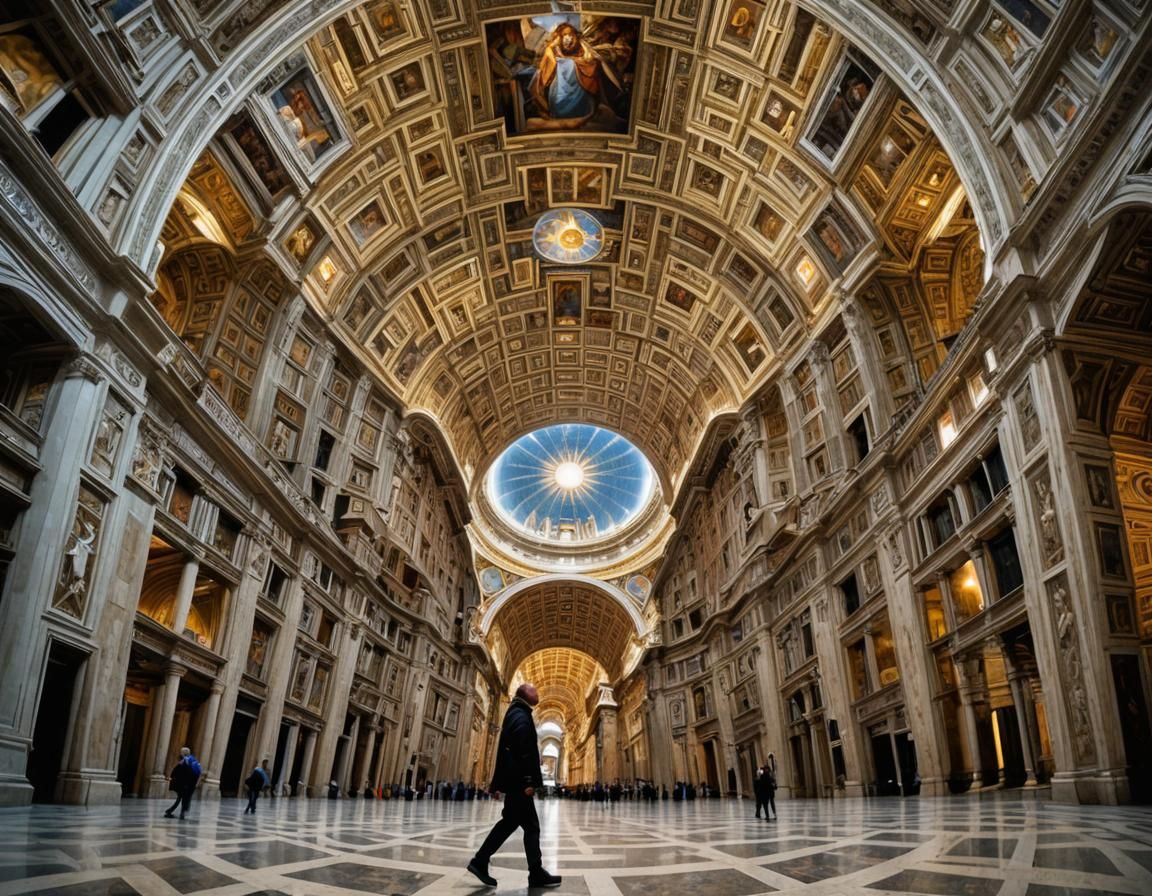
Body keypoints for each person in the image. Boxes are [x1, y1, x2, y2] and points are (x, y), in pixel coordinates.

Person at [466, 683, 561, 889]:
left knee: (514, 824)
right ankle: (529, 871)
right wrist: (529, 780)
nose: (538, 692)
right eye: (534, 690)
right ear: (523, 693)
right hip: (520, 783)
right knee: (525, 826)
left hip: (515, 781)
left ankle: (483, 861)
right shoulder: (520, 714)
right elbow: (523, 748)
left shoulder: (518, 712)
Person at [164, 747, 201, 819]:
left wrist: (173, 778)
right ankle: (178, 812)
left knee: (181, 798)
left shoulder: (184, 761)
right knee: (184, 798)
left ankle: (173, 812)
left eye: (181, 752)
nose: (180, 753)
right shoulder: (194, 760)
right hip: (190, 784)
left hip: (183, 784)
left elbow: (176, 771)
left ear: (183, 753)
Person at [762, 753, 778, 820]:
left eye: (767, 769)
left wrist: (774, 786)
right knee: (766, 804)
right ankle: (767, 815)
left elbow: (774, 782)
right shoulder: (763, 776)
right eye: (765, 769)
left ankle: (774, 814)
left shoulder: (771, 775)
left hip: (770, 792)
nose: (766, 770)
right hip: (765, 792)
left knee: (772, 803)